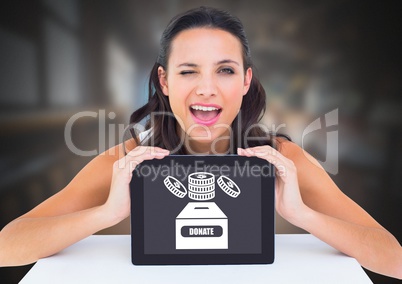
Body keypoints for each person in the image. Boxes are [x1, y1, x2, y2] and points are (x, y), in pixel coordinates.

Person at [0, 6, 401, 279]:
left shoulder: (281, 160)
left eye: (225, 70)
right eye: (188, 71)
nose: (207, 90)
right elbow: (8, 246)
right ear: (164, 80)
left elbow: (394, 258)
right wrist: (105, 214)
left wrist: (303, 215)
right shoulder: (126, 163)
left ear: (245, 81)